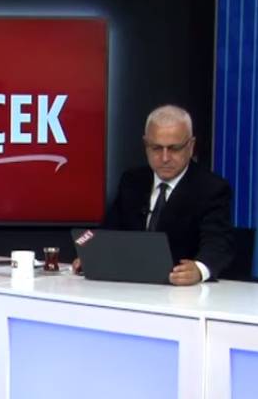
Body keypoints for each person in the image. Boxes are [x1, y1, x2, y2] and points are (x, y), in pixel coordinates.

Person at [74, 105, 234, 285]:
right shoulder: (132, 181)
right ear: (145, 144)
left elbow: (218, 243)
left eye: (174, 148)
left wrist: (199, 269)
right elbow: (108, 230)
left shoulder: (212, 189)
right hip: (133, 286)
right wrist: (91, 253)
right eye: (156, 148)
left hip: (182, 292)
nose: (165, 158)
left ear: (191, 146)